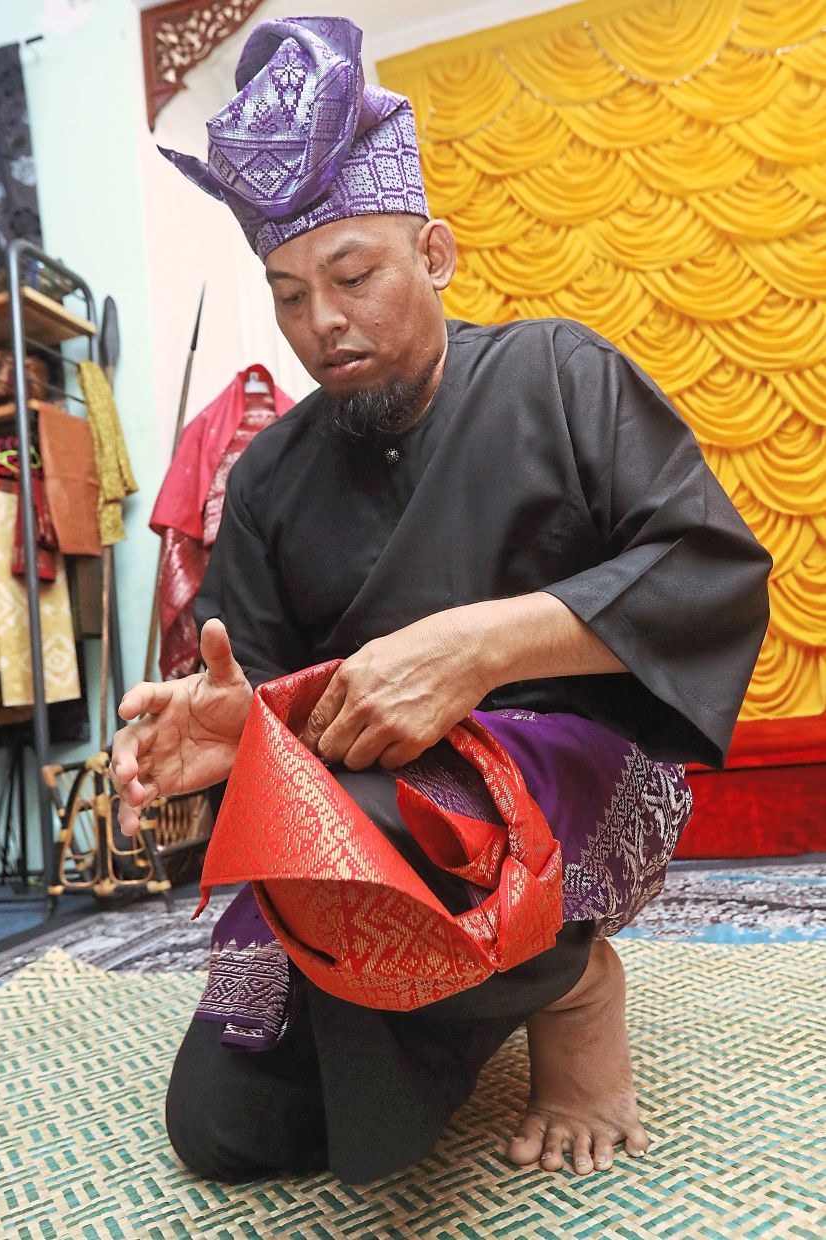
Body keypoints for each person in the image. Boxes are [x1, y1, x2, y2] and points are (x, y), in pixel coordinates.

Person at [111, 16, 771, 1185]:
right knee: (231, 1126)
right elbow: (259, 690)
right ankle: (456, 986)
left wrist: (480, 648)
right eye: (288, 295)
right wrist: (234, 730)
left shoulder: (557, 372)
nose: (323, 322)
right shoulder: (264, 478)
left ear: (437, 254)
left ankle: (571, 980)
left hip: (563, 783)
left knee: (394, 819)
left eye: (353, 276)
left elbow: (706, 570)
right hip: (353, 829)